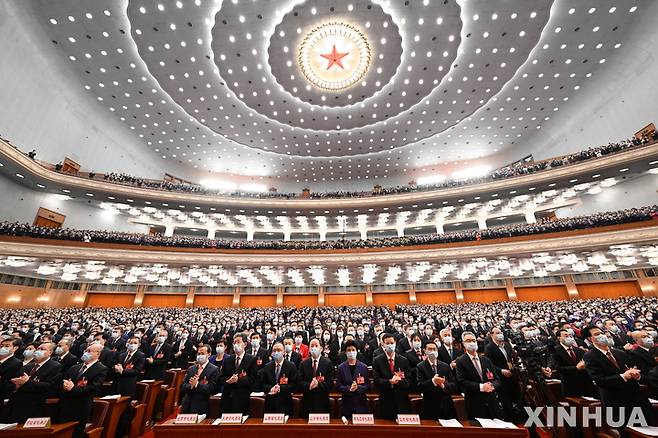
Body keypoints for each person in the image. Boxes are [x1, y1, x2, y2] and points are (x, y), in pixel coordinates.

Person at [582, 325, 654, 428]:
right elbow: (599, 380)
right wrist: (623, 376)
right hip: (616, 401)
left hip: (636, 398)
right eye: (597, 334)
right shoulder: (590, 356)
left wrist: (637, 375)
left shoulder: (620, 353)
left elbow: (634, 370)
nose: (602, 336)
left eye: (602, 333)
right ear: (590, 338)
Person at [57, 343, 108, 438]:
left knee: (76, 433)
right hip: (65, 404)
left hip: (81, 406)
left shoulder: (101, 369)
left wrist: (73, 388)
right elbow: (63, 381)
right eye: (85, 351)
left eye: (89, 351)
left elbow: (93, 388)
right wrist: (64, 386)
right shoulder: (74, 367)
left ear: (98, 354)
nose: (85, 353)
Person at [4, 342, 62, 423]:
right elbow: (13, 381)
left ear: (50, 352)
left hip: (36, 406)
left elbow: (49, 386)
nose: (38, 351)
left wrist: (27, 382)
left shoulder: (55, 366)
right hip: (17, 405)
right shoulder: (27, 366)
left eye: (42, 349)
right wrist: (16, 386)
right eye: (38, 349)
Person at [456, 331, 503, 420]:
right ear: (463, 344)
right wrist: (481, 387)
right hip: (475, 402)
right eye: (468, 341)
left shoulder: (486, 360)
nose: (472, 343)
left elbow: (497, 379)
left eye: (473, 340)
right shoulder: (460, 361)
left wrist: (492, 386)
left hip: (491, 400)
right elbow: (461, 380)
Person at [372, 333, 413, 419]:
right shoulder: (377, 360)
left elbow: (409, 381)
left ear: (395, 343)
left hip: (401, 400)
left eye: (391, 343)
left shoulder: (404, 360)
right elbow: (376, 380)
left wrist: (399, 382)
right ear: (382, 344)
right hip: (385, 400)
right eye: (387, 343)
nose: (390, 345)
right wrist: (389, 382)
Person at [484, 327, 521, 420]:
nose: (500, 334)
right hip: (501, 378)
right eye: (497, 333)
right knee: (506, 402)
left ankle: (521, 418)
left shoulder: (507, 345)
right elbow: (489, 364)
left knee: (519, 398)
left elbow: (512, 358)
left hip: (513, 376)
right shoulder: (489, 348)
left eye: (501, 332)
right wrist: (501, 371)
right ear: (492, 335)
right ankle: (511, 420)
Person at [416, 341, 458, 419]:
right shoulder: (420, 366)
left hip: (446, 405)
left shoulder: (445, 366)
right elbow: (419, 386)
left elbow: (454, 385)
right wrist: (433, 381)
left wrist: (443, 385)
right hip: (430, 405)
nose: (432, 351)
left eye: (434, 349)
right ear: (425, 351)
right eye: (430, 349)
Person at [550, 329, 596, 397]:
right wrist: (576, 368)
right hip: (570, 385)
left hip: (586, 384)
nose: (569, 337)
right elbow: (558, 368)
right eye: (566, 336)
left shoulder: (579, 350)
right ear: (559, 338)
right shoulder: (555, 351)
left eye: (570, 336)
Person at [220, 333, 257, 414]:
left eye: (238, 342)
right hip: (227, 397)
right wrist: (228, 380)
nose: (236, 345)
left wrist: (238, 380)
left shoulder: (252, 359)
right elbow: (221, 377)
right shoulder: (227, 360)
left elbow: (253, 379)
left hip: (242, 397)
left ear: (245, 344)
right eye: (234, 343)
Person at [298, 338, 334, 415]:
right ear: (309, 349)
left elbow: (330, 383)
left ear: (321, 349)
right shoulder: (303, 364)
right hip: (307, 402)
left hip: (322, 402)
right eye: (312, 346)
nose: (314, 348)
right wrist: (309, 385)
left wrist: (318, 384)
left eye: (316, 346)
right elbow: (299, 382)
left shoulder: (328, 363)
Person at [180, 345, 219, 415]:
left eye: (203, 354)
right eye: (198, 354)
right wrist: (191, 386)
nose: (200, 356)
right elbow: (182, 386)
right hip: (188, 404)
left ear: (209, 354)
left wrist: (197, 384)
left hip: (202, 405)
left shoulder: (214, 369)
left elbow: (213, 389)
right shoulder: (191, 369)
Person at [261, 342, 297, 416]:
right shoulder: (267, 366)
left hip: (285, 403)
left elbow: (294, 385)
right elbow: (262, 384)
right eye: (274, 350)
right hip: (270, 404)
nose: (276, 352)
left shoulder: (291, 366)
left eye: (279, 350)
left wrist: (280, 388)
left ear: (284, 352)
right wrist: (271, 388)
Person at [336, 340, 369, 419]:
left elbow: (367, 385)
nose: (351, 352)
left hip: (361, 405)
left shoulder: (363, 367)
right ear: (345, 352)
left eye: (353, 350)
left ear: (357, 351)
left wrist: (358, 388)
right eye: (349, 350)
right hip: (347, 404)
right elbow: (338, 386)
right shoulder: (341, 367)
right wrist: (349, 389)